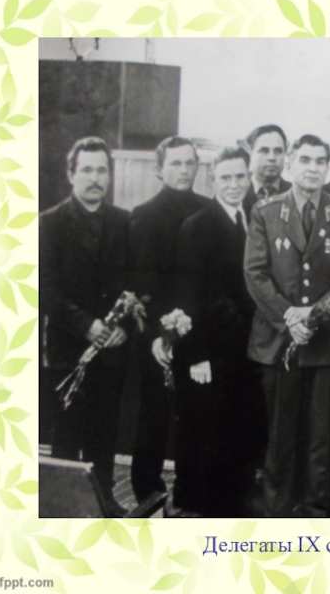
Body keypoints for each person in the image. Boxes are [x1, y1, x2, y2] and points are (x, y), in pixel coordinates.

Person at [244, 134, 330, 517]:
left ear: (328, 167)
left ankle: (316, 514)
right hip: (278, 342)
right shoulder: (266, 212)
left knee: (319, 440)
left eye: (319, 161)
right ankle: (276, 513)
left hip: (324, 342)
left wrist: (315, 313)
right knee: (279, 437)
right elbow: (255, 273)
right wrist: (288, 317)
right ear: (289, 164)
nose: (312, 168)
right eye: (304, 160)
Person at [39, 137, 131, 517]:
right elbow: (45, 290)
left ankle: (105, 502)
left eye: (102, 170)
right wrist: (86, 326)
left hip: (111, 352)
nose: (95, 178)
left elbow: (133, 285)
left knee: (104, 433)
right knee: (66, 436)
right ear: (71, 174)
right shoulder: (48, 224)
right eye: (87, 170)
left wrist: (125, 327)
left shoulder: (125, 222)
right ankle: (62, 510)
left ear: (110, 175)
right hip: (67, 353)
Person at [172, 146, 261, 517]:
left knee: (238, 434)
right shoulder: (198, 225)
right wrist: (197, 355)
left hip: (244, 351)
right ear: (212, 181)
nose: (233, 184)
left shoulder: (253, 220)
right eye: (225, 177)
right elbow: (188, 296)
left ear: (249, 178)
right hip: (209, 353)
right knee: (206, 436)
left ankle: (233, 510)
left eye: (240, 176)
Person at [129, 136, 208, 506]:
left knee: (196, 412)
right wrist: (160, 335)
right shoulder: (144, 215)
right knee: (155, 414)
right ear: (159, 169)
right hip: (159, 335)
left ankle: (191, 491)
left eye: (189, 163)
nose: (183, 170)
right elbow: (144, 283)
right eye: (175, 163)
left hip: (198, 331)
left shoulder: (208, 211)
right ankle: (146, 490)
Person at [243, 124, 291, 216]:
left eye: (278, 151)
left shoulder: (296, 194)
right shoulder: (237, 192)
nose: (272, 158)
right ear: (250, 152)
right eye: (264, 151)